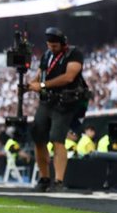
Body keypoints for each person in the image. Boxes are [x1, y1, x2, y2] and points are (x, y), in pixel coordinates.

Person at [27, 27, 87, 193]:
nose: (52, 48)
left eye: (55, 46)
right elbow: (41, 73)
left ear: (63, 44)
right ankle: (44, 178)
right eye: (49, 45)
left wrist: (44, 85)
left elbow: (69, 77)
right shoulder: (47, 55)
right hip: (47, 101)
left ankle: (59, 181)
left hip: (65, 101)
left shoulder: (74, 54)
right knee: (38, 137)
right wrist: (30, 84)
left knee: (57, 139)